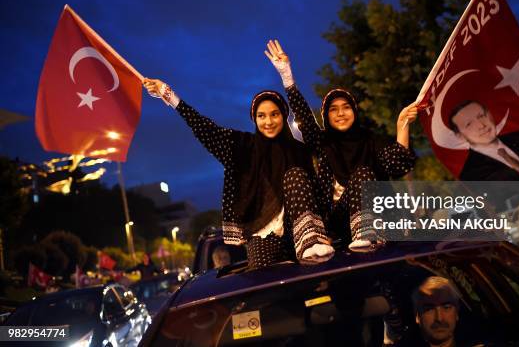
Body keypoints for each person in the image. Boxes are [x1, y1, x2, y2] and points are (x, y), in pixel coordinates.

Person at [144, 79, 334, 268]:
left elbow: (311, 131)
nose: (268, 121)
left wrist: (288, 79)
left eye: (274, 114)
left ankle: (312, 241)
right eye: (261, 116)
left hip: (302, 235)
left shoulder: (298, 150)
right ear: (255, 118)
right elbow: (205, 129)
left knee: (296, 175)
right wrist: (170, 96)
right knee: (267, 289)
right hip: (262, 234)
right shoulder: (243, 146)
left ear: (284, 116)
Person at [265, 40, 417, 251]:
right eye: (333, 109)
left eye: (346, 107)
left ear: (354, 111)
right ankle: (311, 242)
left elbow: (397, 165)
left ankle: (368, 234)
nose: (340, 113)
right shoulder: (324, 142)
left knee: (363, 173)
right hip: (336, 222)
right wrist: (287, 76)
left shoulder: (371, 140)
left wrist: (402, 126)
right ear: (326, 116)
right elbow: (306, 120)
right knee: (294, 174)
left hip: (377, 218)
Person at [449, 100, 519, 181]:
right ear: (460, 136)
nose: (481, 125)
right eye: (469, 124)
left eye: (481, 116)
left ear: (489, 114)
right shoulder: (470, 175)